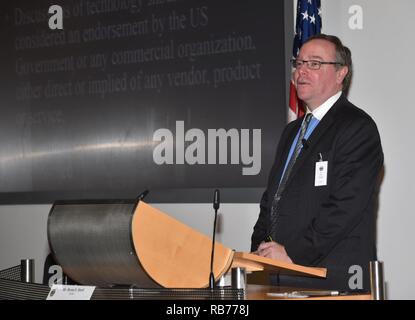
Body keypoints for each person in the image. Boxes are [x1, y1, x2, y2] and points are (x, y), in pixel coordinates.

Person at [251, 34, 384, 291]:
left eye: (314, 64)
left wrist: (290, 254)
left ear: (340, 74)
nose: (302, 71)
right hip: (281, 275)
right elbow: (272, 200)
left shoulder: (357, 128)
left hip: (330, 279)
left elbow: (343, 209)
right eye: (299, 63)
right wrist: (261, 249)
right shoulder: (291, 131)